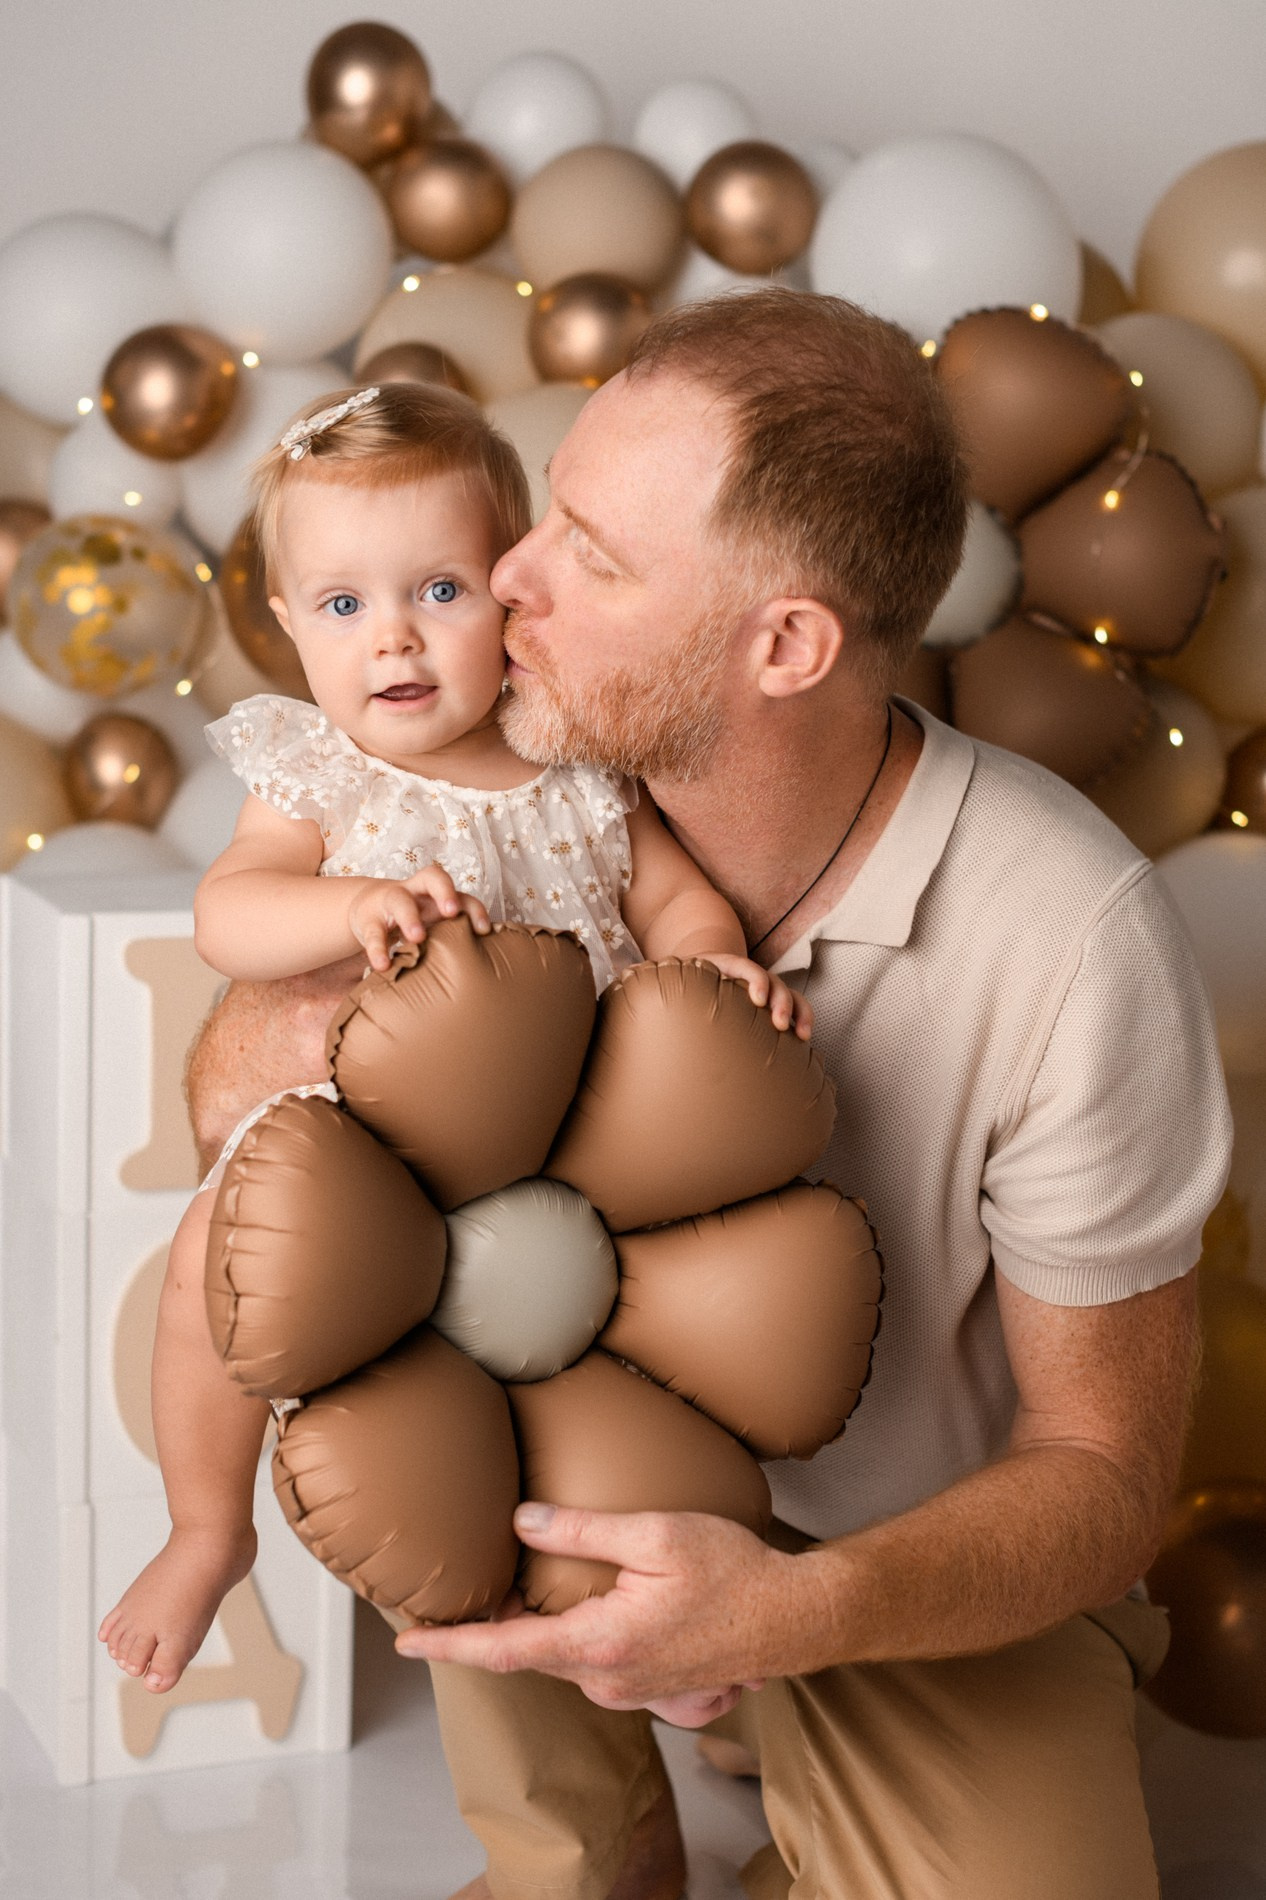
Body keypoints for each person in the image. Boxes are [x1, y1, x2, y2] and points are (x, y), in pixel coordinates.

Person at [182, 291, 1232, 1900]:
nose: (506, 579)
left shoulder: (1075, 946)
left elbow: (1099, 1481)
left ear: (784, 645)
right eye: (544, 515)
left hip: (907, 1563)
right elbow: (225, 1100)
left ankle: (778, 1742)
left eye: (589, 555)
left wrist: (792, 1613)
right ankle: (606, 1839)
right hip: (557, 1460)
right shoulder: (500, 800)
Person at [96, 377, 810, 1702]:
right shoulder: (320, 773)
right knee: (211, 1259)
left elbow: (668, 894)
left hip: (568, 1163)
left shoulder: (577, 759)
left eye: (440, 592)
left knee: (606, 1396)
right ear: (286, 622)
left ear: (514, 591)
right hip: (360, 1154)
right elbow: (226, 914)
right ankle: (206, 1528)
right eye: (344, 606)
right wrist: (342, 905)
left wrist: (713, 959)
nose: (396, 645)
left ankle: (648, 1641)